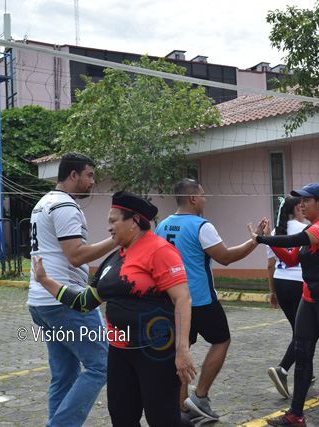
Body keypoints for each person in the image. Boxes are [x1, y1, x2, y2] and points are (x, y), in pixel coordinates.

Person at [32, 191, 196, 427]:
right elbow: (84, 302)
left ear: (135, 221)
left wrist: (182, 350)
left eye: (113, 221)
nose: (108, 228)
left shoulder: (160, 250)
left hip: (156, 351)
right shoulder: (114, 259)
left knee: (162, 420)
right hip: (120, 352)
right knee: (122, 418)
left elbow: (183, 299)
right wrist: (46, 280)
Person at [155, 178, 266, 421]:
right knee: (222, 340)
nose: (205, 199)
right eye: (203, 195)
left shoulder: (161, 226)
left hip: (171, 301)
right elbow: (225, 257)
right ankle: (200, 396)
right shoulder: (201, 225)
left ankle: (182, 410)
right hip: (200, 300)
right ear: (193, 198)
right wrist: (255, 240)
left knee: (181, 351)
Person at [250, 182, 319, 427]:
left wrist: (264, 238)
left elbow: (296, 238)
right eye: (300, 201)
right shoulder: (311, 229)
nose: (301, 205)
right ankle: (296, 414)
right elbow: (291, 257)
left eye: (306, 200)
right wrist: (268, 241)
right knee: (302, 353)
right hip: (309, 299)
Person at [28, 152, 116, 427]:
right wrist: (118, 239)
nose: (93, 181)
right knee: (101, 366)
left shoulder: (43, 203)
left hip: (42, 301)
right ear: (73, 175)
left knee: (64, 376)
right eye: (89, 175)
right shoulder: (64, 206)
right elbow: (76, 255)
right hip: (66, 302)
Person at [266, 196, 307, 398]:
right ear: (297, 209)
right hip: (299, 284)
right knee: (303, 333)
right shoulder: (304, 229)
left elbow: (270, 265)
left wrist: (272, 292)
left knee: (297, 330)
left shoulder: (274, 232)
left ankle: (306, 368)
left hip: (281, 283)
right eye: (302, 207)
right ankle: (282, 370)